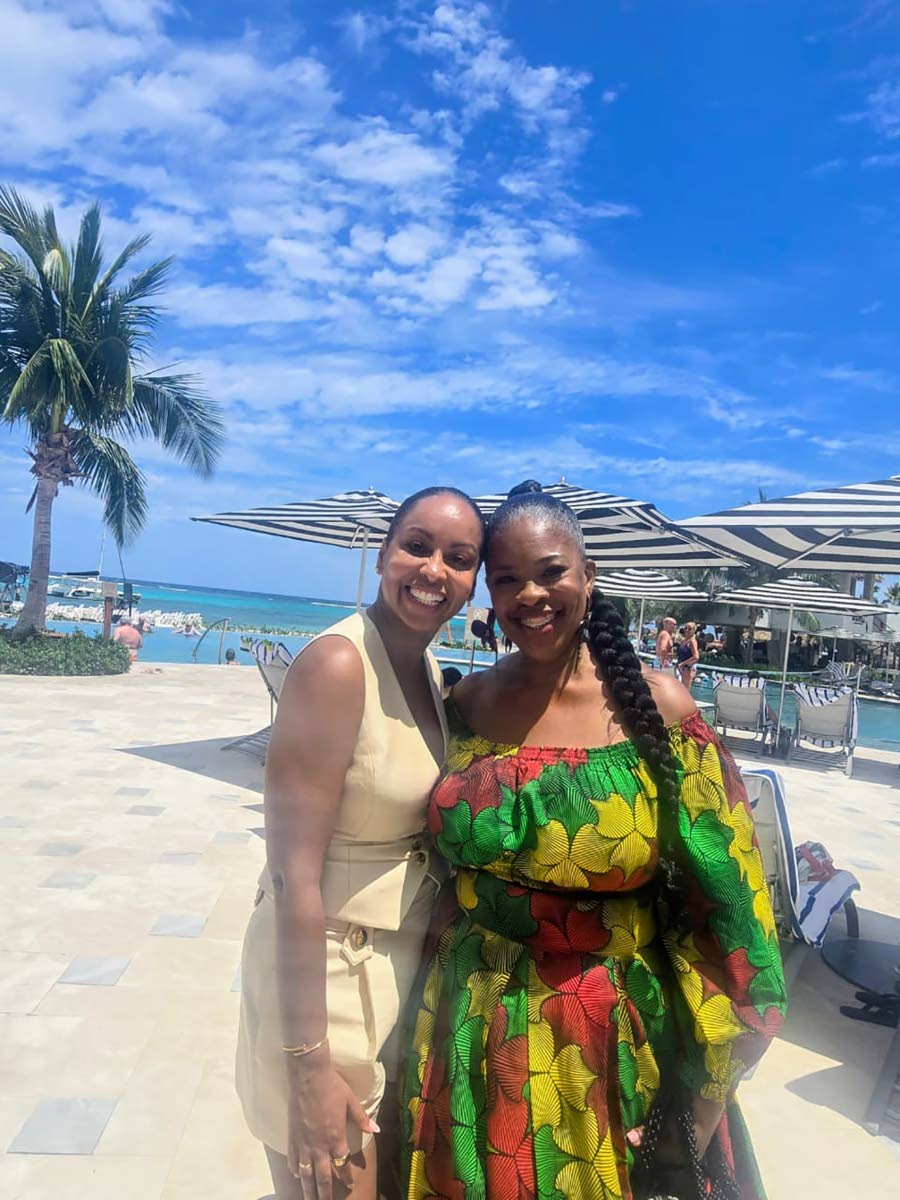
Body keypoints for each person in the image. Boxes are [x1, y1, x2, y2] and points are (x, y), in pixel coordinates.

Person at [402, 482, 786, 1200]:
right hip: (465, 1020)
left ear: (588, 575)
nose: (530, 596)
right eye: (507, 579)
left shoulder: (658, 709)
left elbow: (734, 911)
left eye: (550, 571)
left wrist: (700, 1106)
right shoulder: (465, 703)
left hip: (607, 1039)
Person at [236, 487, 484, 1200]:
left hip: (389, 972)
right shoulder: (339, 665)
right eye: (417, 545)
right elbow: (291, 876)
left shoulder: (426, 672)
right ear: (383, 554)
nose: (434, 569)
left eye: (459, 558)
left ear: (472, 584)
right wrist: (307, 1062)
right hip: (324, 979)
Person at [677, 620, 700, 688]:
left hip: (688, 668)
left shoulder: (692, 641)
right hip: (681, 667)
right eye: (685, 628)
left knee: (685, 690)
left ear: (694, 630)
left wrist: (683, 664)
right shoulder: (683, 640)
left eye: (689, 629)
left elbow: (696, 657)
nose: (687, 630)